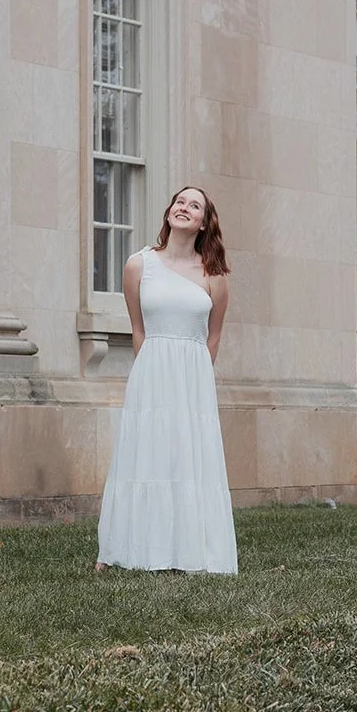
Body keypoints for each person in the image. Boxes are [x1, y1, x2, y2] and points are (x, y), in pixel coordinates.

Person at [95, 185, 237, 574]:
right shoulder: (138, 265)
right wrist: (152, 375)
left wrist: (197, 382)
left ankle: (191, 552)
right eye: (180, 201)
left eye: (195, 205)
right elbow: (138, 329)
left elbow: (214, 335)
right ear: (169, 211)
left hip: (193, 378)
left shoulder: (214, 276)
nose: (184, 207)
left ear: (204, 222)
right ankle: (126, 549)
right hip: (152, 372)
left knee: (188, 458)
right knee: (145, 455)